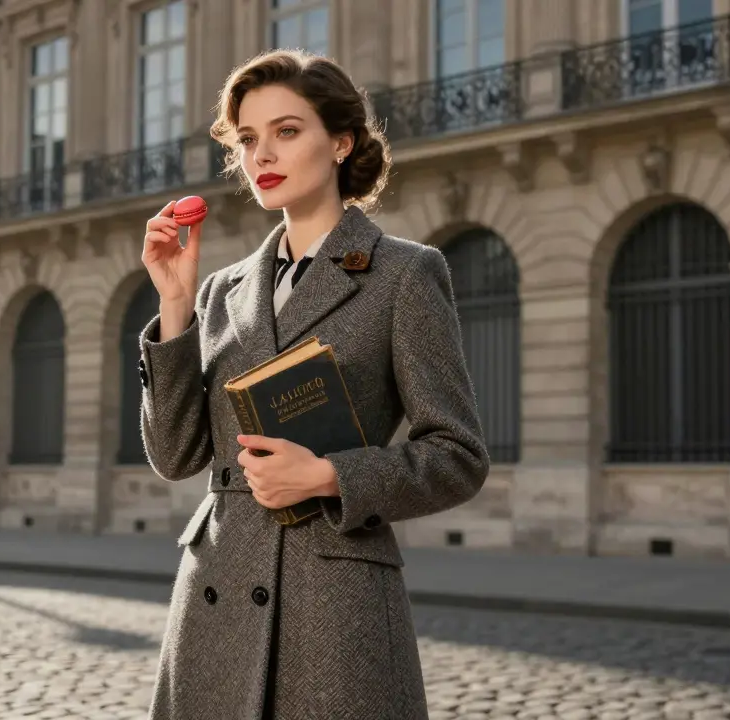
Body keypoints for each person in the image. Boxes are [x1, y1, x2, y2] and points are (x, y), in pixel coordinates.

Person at [136, 48, 491, 719]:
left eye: (286, 131)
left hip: (333, 612)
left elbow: (458, 457)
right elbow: (176, 456)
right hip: (217, 600)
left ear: (340, 142)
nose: (261, 154)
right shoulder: (220, 291)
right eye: (247, 139)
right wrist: (176, 307)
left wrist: (330, 477)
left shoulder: (402, 275)